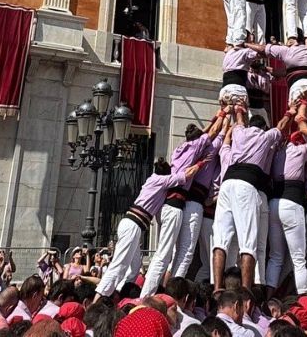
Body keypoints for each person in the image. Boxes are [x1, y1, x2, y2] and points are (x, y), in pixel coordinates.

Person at [95, 157, 203, 298]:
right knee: (119, 265)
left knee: (135, 267)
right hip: (134, 225)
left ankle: (121, 295)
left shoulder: (151, 179)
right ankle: (98, 300)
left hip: (131, 223)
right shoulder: (161, 180)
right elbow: (186, 175)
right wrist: (201, 162)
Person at [141, 116, 222, 297]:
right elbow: (216, 134)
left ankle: (159, 292)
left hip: (171, 206)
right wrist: (224, 115)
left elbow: (207, 133)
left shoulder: (180, 149)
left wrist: (218, 116)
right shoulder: (196, 149)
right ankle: (158, 295)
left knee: (170, 253)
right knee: (178, 253)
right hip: (179, 205)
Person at [211, 108, 290, 291]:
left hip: (227, 185)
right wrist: (290, 112)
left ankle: (216, 288)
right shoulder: (264, 136)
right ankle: (246, 292)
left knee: (220, 241)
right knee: (249, 243)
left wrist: (238, 110)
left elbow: (237, 123)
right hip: (246, 186)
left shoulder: (239, 132)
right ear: (262, 128)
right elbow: (281, 126)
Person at [264, 129, 307, 296]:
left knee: (275, 257)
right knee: (298, 258)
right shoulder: (301, 150)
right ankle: (304, 297)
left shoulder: (277, 153)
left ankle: (268, 297)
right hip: (292, 204)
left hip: (274, 204)